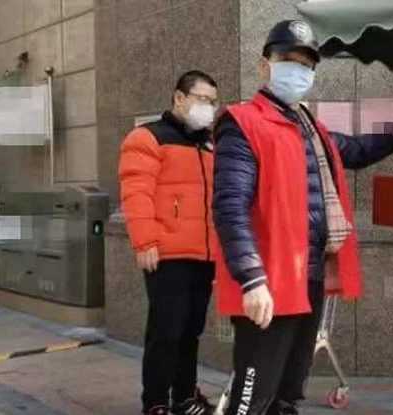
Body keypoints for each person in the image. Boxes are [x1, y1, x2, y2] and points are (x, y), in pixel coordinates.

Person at [212, 19, 393, 415]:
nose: (299, 71)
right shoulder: (242, 124)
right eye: (289, 60)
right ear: (264, 66)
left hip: (309, 275)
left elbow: (356, 149)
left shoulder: (311, 128)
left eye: (307, 64)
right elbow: (230, 206)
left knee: (289, 391)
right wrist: (251, 277)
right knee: (252, 398)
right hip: (269, 279)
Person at [119, 70, 219, 415]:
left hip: (204, 254)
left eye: (213, 101)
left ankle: (185, 398)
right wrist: (144, 241)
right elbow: (136, 192)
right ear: (179, 97)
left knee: (191, 331)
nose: (209, 107)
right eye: (202, 99)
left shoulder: (208, 144)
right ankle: (156, 402)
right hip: (167, 253)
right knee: (166, 331)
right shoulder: (148, 137)